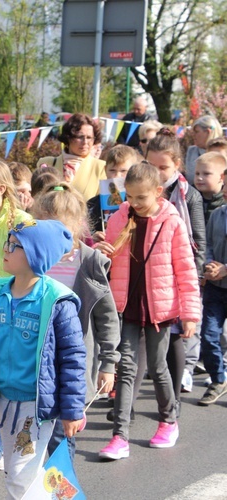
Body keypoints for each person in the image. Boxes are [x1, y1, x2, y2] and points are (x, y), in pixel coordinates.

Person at [0, 219, 86, 500]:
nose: (5, 248)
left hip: (36, 406)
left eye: (15, 246)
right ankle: (65, 496)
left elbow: (73, 359)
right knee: (26, 470)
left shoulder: (57, 301)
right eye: (7, 242)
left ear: (36, 256)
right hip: (3, 401)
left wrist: (73, 409)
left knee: (19, 476)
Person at [97, 163, 200, 460]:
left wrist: (190, 313)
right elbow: (111, 256)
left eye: (141, 197)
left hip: (161, 308)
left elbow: (185, 269)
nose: (134, 203)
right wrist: (101, 250)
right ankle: (120, 436)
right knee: (126, 368)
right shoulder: (120, 217)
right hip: (127, 305)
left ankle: (169, 420)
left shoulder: (172, 222)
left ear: (157, 192)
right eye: (130, 196)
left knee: (157, 367)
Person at [32, 184, 120, 459]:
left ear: (76, 225)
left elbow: (107, 317)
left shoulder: (90, 262)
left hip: (74, 358)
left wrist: (108, 364)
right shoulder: (34, 259)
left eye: (55, 226)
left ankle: (62, 487)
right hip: (35, 356)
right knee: (35, 430)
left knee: (62, 430)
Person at [146, 130, 206, 396]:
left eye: (163, 167)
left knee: (173, 338)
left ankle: (175, 395)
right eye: (151, 166)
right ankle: (125, 406)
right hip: (145, 273)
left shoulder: (188, 196)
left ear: (177, 166)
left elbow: (199, 241)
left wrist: (195, 277)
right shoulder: (137, 189)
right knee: (137, 340)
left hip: (174, 274)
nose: (157, 173)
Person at [199, 174, 227, 405]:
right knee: (208, 336)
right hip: (215, 289)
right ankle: (218, 379)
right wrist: (208, 266)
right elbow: (207, 244)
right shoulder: (217, 215)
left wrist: (226, 268)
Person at [37, 113, 106, 201]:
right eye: (80, 137)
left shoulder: (100, 167)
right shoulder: (46, 163)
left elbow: (106, 204)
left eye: (89, 137)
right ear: (68, 137)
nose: (85, 142)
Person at [88, 145, 141, 242]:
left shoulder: (139, 203)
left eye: (123, 171)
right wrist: (92, 238)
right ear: (105, 170)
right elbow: (84, 233)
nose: (117, 176)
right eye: (112, 170)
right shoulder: (92, 204)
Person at [185, 116, 223, 184]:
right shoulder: (191, 151)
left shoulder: (222, 152)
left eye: (196, 132)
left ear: (208, 132)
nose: (193, 135)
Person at [193, 152, 226, 224]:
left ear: (221, 177)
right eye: (197, 173)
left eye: (206, 174)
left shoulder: (224, 202)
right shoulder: (190, 199)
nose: (199, 178)